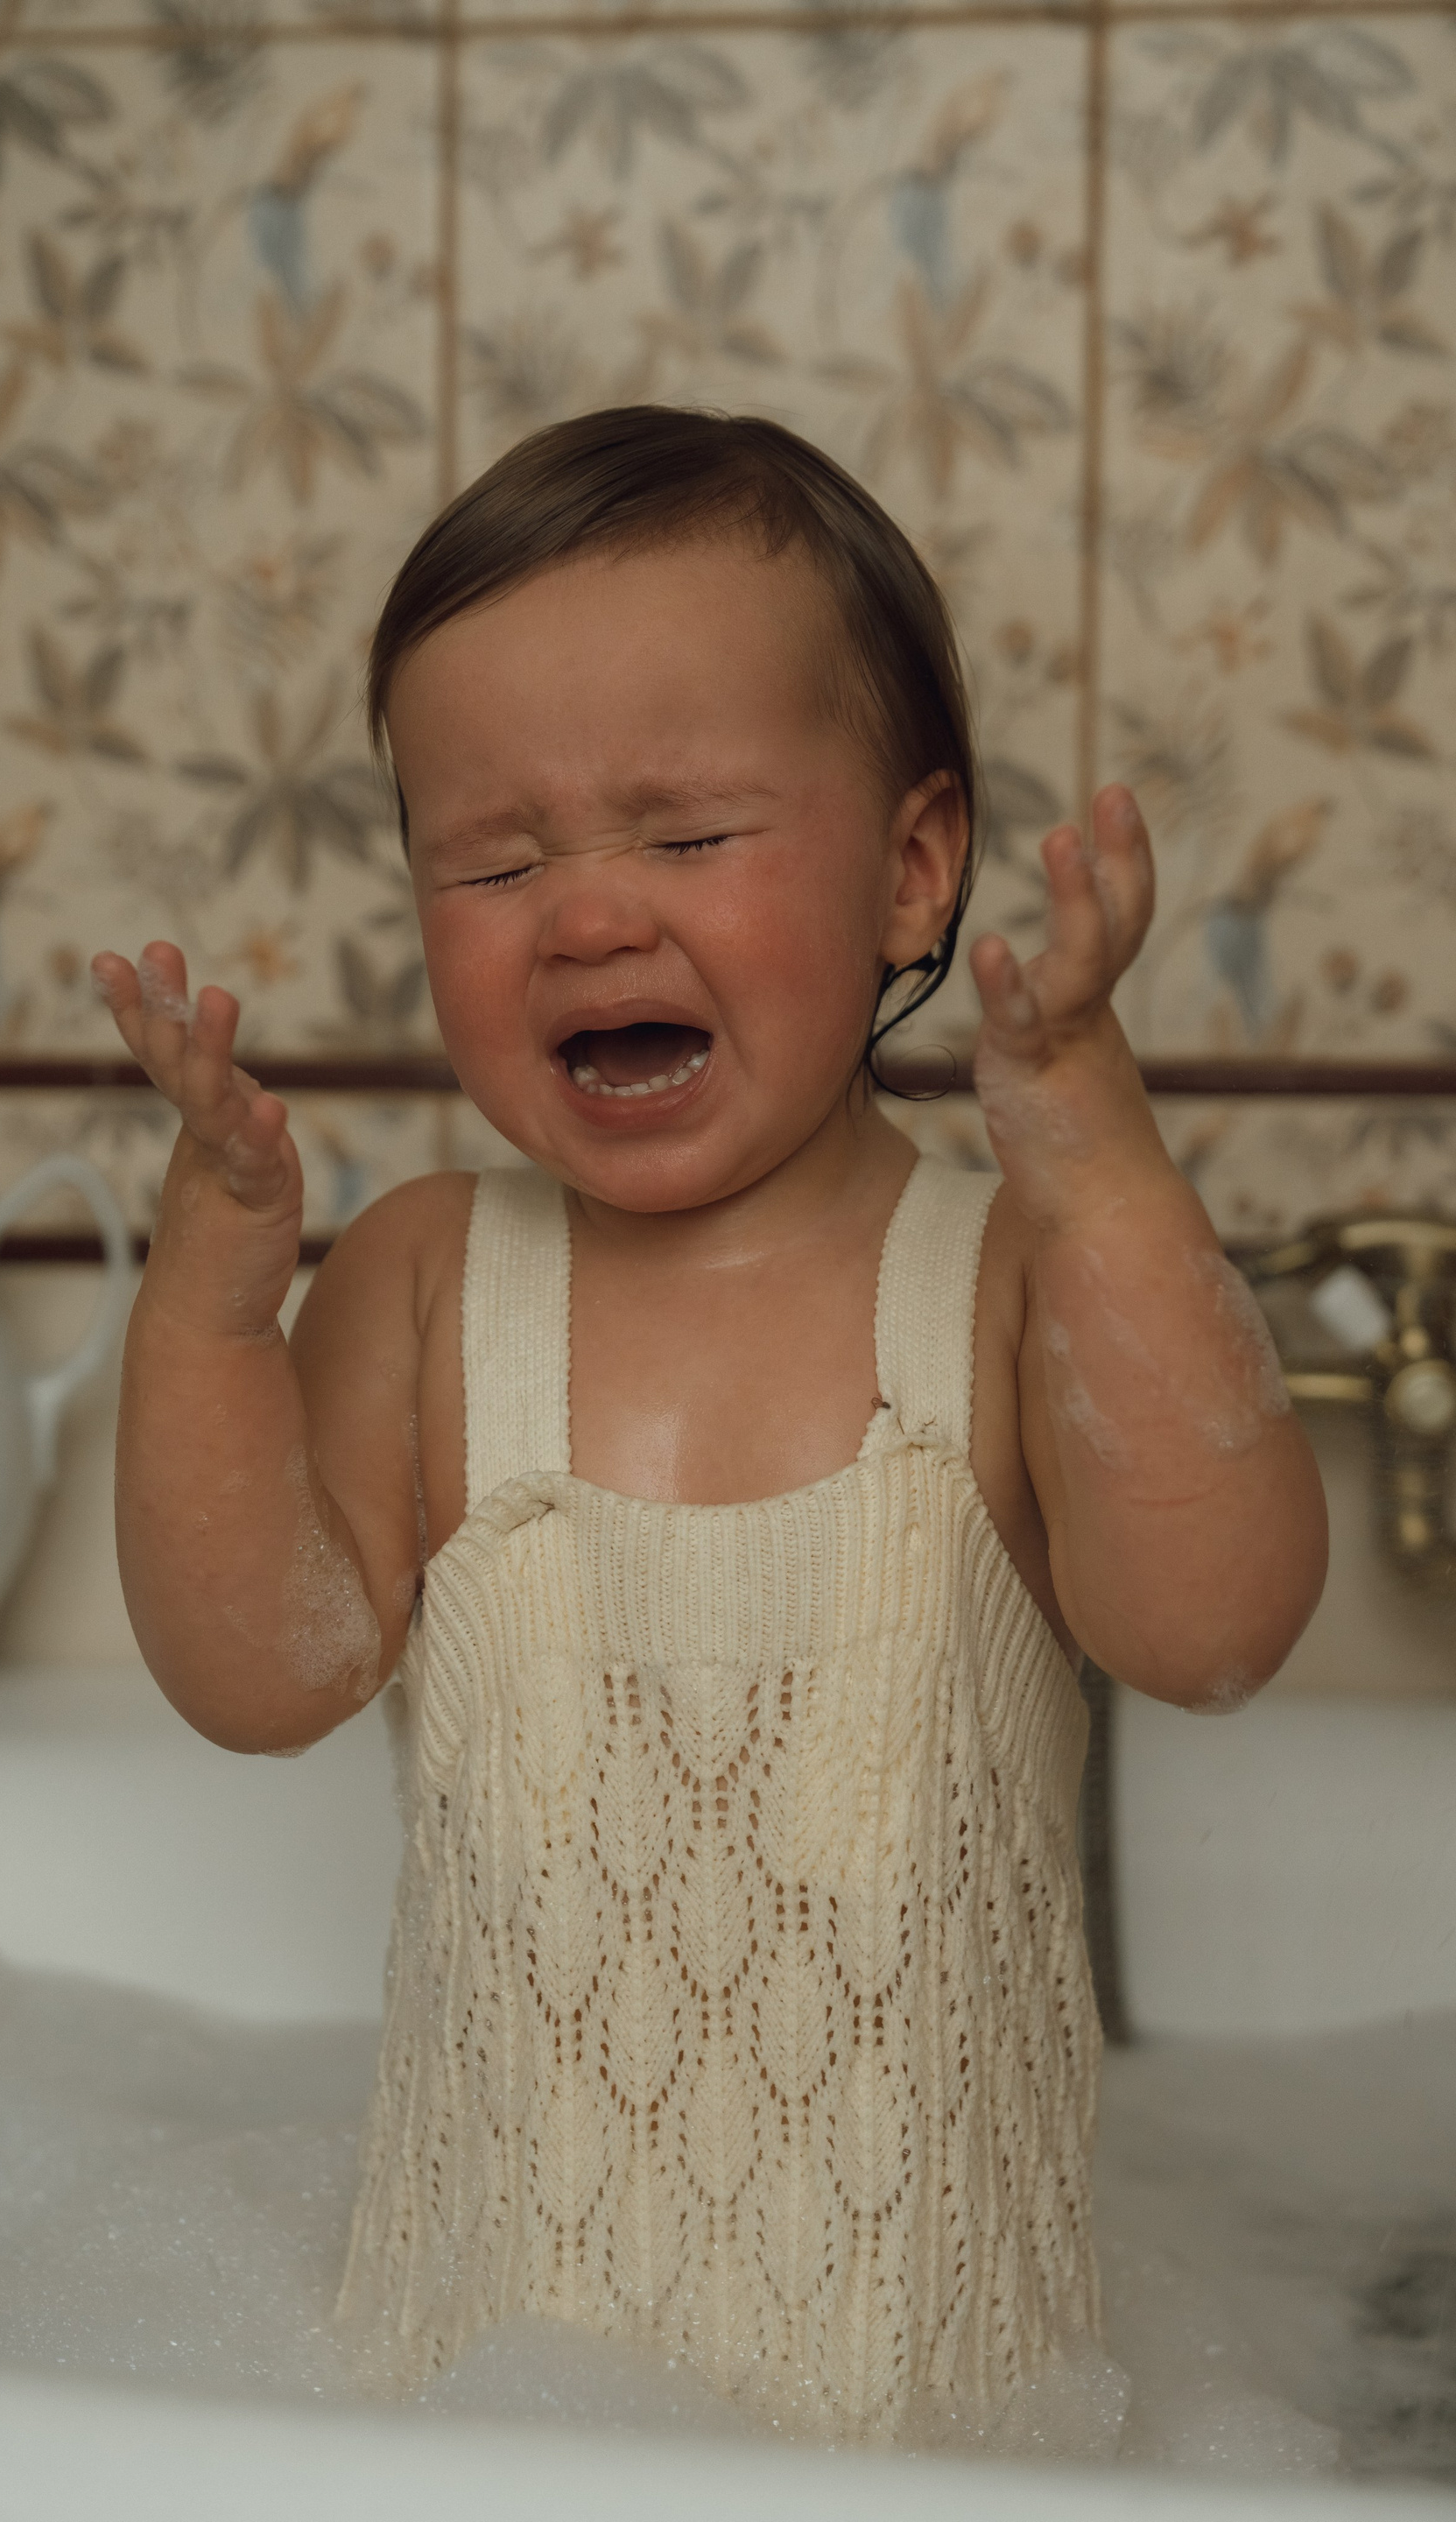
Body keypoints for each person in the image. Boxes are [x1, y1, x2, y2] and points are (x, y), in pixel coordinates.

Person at [92, 407, 1326, 2450]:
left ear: (910, 872)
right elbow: (258, 1673)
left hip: (947, 2433)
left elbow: (1216, 1628)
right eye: (496, 861)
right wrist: (216, 1294)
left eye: (684, 839)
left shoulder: (1003, 1277)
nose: (586, 918)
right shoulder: (426, 1281)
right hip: (478, 2413)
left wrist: (1097, 1154)